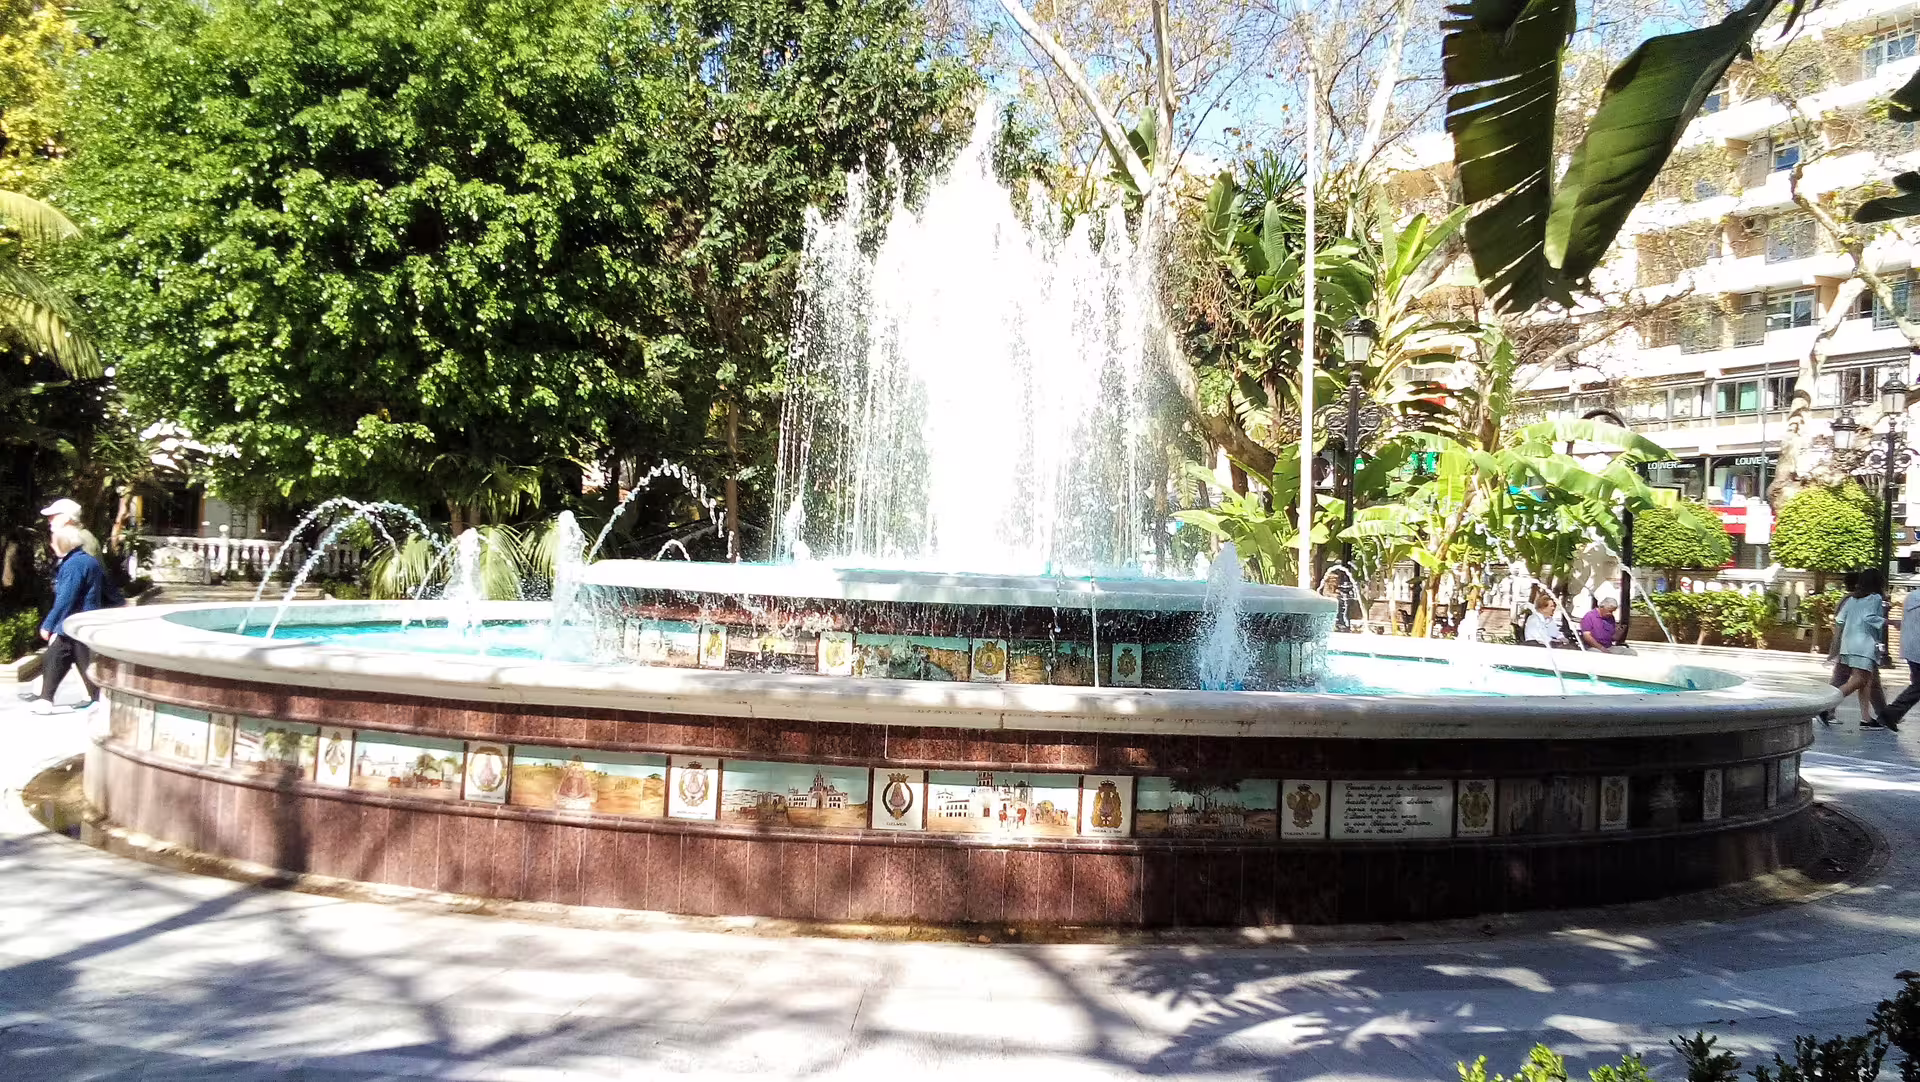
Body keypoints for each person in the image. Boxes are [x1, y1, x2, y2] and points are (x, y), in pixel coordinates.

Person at [29, 525, 109, 713]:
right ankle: (48, 699)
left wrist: (49, 624)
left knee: (65, 658)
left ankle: (47, 700)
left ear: (62, 543)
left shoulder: (74, 564)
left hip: (75, 622)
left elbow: (66, 598)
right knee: (64, 658)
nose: (51, 544)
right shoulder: (87, 561)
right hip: (80, 622)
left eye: (53, 540)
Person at [1834, 570, 1893, 730]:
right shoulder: (1875, 598)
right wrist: (1890, 622)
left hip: (1849, 644)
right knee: (1859, 680)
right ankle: (1826, 706)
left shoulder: (1852, 599)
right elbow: (1870, 618)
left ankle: (1866, 718)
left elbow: (1839, 620)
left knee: (1866, 681)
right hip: (1864, 644)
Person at [1881, 587, 1920, 729]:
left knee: (1917, 684)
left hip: (1910, 647)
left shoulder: (1911, 597)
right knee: (1918, 686)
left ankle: (1892, 714)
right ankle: (1891, 713)